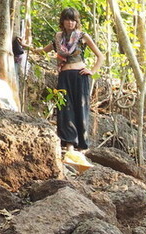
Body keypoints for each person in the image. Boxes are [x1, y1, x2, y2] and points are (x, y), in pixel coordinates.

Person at [25, 7, 103, 150]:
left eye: (73, 20)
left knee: (81, 108)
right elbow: (42, 51)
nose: (70, 23)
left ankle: (82, 145)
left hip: (80, 76)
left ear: (76, 22)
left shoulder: (82, 36)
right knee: (65, 109)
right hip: (64, 76)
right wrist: (26, 47)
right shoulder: (58, 38)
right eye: (67, 19)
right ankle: (69, 144)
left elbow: (100, 56)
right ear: (63, 21)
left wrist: (91, 71)